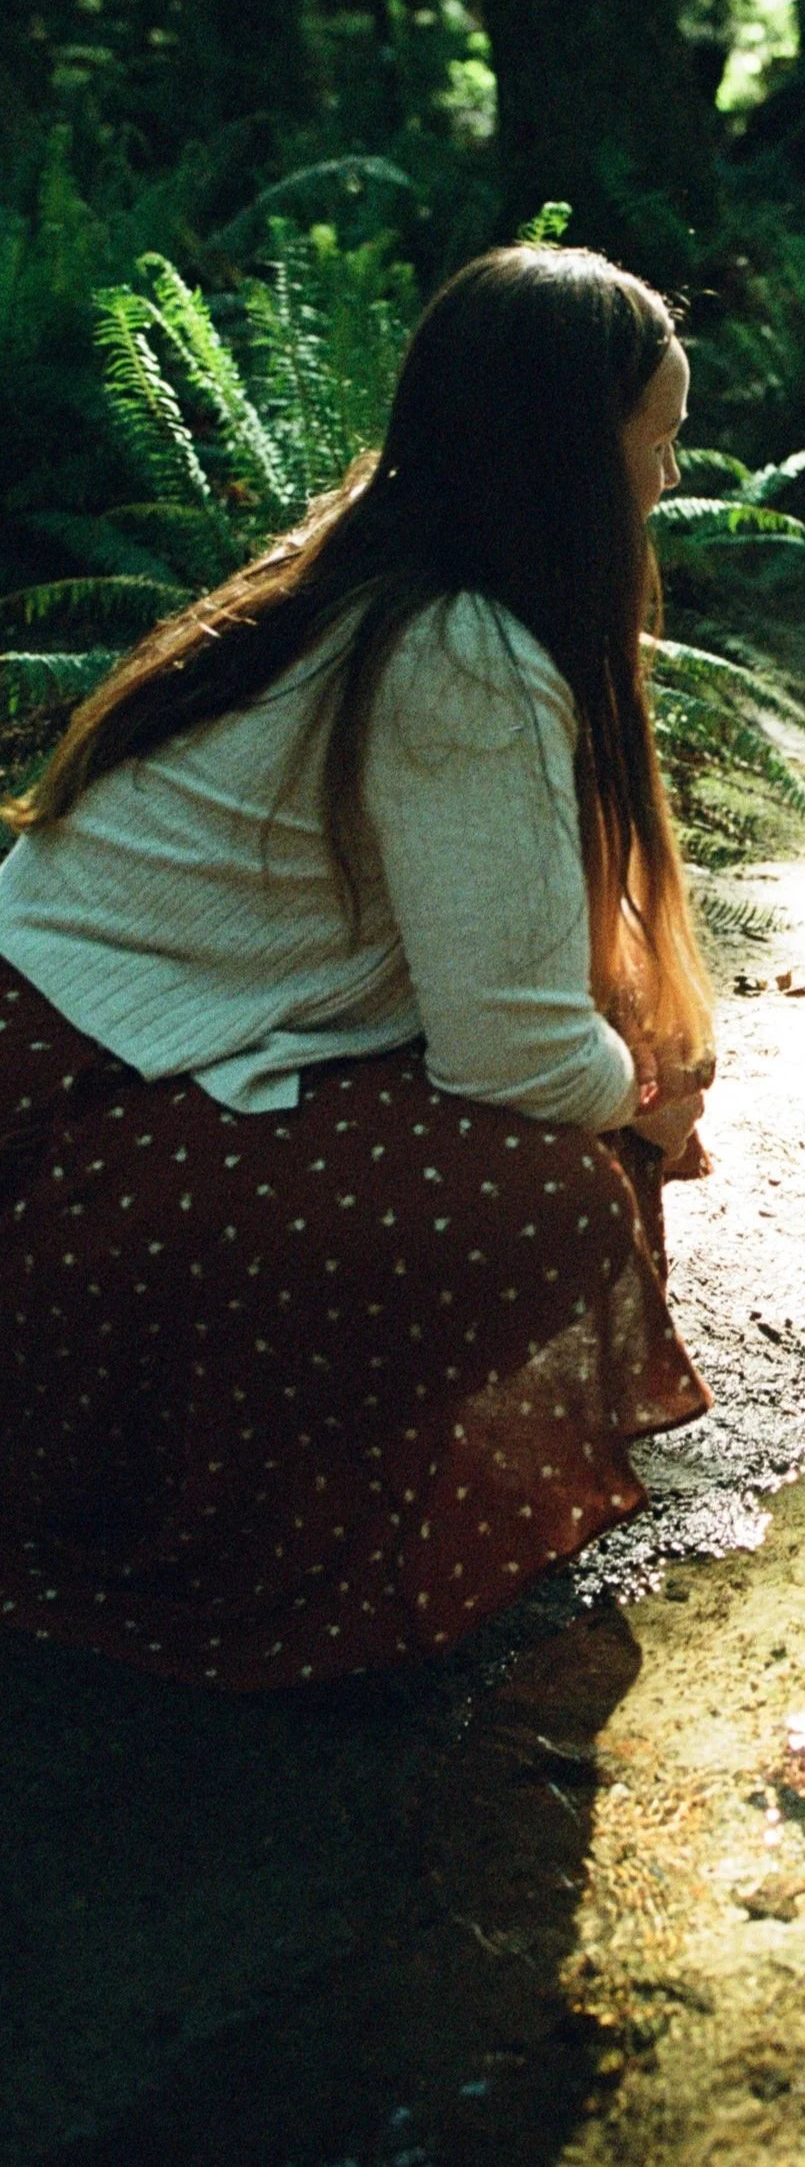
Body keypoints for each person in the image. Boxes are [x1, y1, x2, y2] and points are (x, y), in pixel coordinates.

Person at [0, 245, 717, 1689]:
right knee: (544, 1197)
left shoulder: (381, 576)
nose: (665, 480)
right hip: (62, 1093)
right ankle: (253, 1536)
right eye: (659, 445)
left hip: (86, 1032)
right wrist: (641, 1094)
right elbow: (511, 1051)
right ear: (570, 458)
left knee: (594, 1117)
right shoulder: (459, 650)